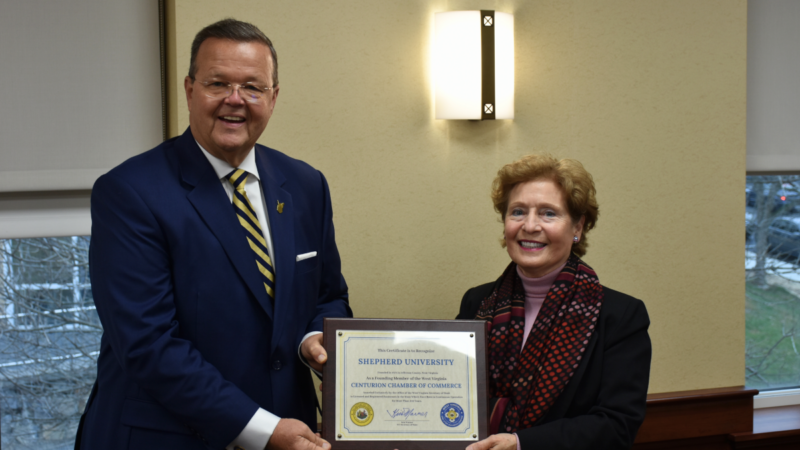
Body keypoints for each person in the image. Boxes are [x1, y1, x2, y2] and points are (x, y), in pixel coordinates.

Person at [77, 19, 351, 450]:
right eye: (217, 83)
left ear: (274, 97)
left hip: (292, 429)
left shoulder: (304, 184)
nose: (235, 100)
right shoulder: (129, 192)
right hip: (167, 438)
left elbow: (328, 296)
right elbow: (149, 345)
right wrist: (264, 430)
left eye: (253, 87)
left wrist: (312, 340)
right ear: (189, 89)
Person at [456, 154, 651, 450]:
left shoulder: (620, 316)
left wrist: (521, 444)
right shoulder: (477, 302)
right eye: (518, 211)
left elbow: (616, 425)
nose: (530, 226)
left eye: (548, 213)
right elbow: (453, 394)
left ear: (577, 227)